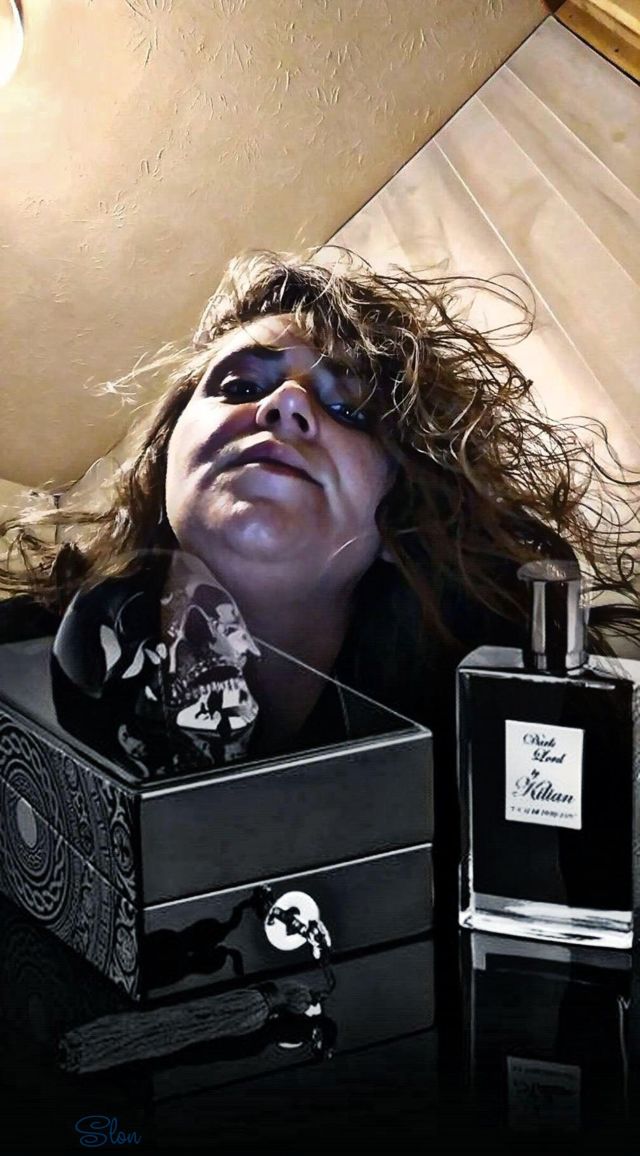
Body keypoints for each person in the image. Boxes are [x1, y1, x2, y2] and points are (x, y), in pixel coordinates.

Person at [1, 249, 639, 790]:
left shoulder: (493, 755)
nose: (285, 404)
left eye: (351, 409)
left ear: (400, 518)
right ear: (165, 457)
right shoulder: (11, 660)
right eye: (241, 386)